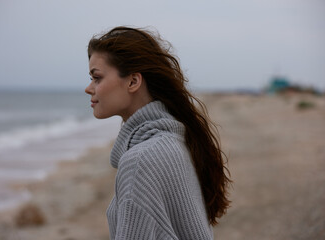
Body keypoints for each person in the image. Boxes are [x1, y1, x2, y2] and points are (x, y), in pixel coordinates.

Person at [85, 26, 231, 240]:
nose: (89, 88)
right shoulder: (176, 140)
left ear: (133, 81)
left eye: (97, 78)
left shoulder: (140, 161)